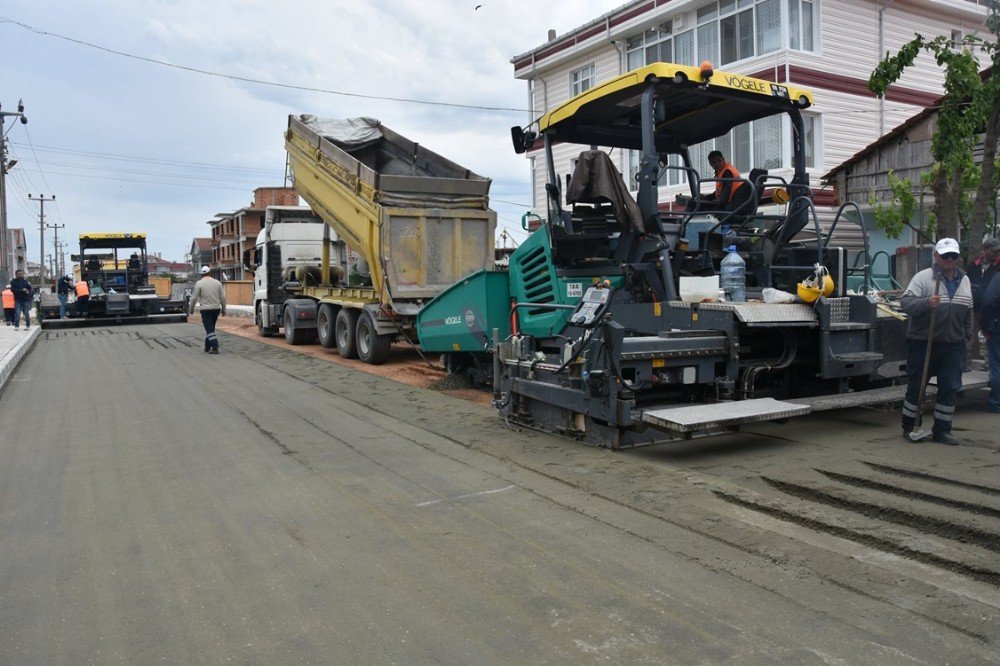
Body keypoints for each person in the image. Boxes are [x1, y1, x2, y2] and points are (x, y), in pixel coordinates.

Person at [899, 238, 974, 445]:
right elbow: (905, 302)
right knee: (917, 386)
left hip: (953, 345)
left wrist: (966, 337)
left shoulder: (964, 280)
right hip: (923, 342)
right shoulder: (923, 278)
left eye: (953, 256)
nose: (949, 259)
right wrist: (926, 303)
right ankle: (909, 426)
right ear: (936, 257)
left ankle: (942, 430)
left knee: (950, 387)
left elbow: (968, 312)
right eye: (945, 255)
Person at [967, 237, 1000, 370]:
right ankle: (966, 363)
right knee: (970, 334)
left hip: (991, 308)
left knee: (989, 336)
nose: (997, 253)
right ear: (984, 250)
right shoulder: (973, 265)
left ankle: (988, 364)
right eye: (994, 251)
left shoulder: (998, 265)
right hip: (973, 305)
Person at [189, 265, 226, 354]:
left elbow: (194, 298)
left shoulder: (199, 283)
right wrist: (224, 309)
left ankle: (215, 347)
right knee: (210, 328)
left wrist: (191, 308)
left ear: (202, 274)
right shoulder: (217, 283)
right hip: (216, 309)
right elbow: (223, 297)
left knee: (209, 329)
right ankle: (207, 347)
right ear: (210, 273)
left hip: (205, 310)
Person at [980, 266, 1000, 413]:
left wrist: (984, 326)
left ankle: (996, 403)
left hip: (997, 327)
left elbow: (988, 300)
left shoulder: (998, 278)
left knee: (997, 364)